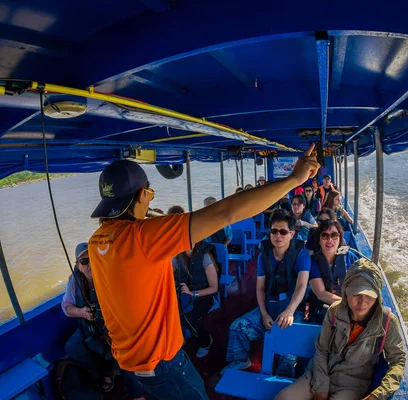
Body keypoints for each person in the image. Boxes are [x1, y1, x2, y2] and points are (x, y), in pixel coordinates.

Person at [88, 144, 319, 400]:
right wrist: (294, 179)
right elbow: (226, 212)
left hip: (127, 357)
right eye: (150, 194)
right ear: (142, 195)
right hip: (160, 360)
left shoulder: (98, 239)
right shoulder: (144, 237)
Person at [274, 259, 406, 400]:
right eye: (356, 294)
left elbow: (397, 360)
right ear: (346, 292)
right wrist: (322, 387)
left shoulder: (386, 321)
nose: (362, 302)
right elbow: (322, 349)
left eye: (369, 296)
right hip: (318, 374)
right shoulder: (335, 311)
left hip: (352, 385)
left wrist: (377, 395)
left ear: (377, 296)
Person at [223, 210, 311, 377]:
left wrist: (289, 311)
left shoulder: (302, 254)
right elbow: (260, 288)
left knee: (288, 350)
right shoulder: (264, 255)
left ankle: (283, 379)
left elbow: (301, 286)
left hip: (292, 310)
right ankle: (242, 360)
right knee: (237, 328)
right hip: (270, 307)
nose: (278, 235)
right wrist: (263, 314)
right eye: (274, 231)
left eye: (283, 231)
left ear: (292, 234)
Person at [62, 243, 143, 398]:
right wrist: (81, 312)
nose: (90, 264)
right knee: (73, 347)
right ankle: (107, 373)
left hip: (116, 330)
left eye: (93, 258)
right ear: (78, 266)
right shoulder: (74, 280)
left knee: (126, 358)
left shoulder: (110, 275)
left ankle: (137, 394)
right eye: (84, 261)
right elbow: (66, 306)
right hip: (91, 330)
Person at [173, 240, 219, 358]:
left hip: (204, 297)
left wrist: (193, 293)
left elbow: (214, 288)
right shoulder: (177, 258)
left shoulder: (205, 257)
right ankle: (178, 339)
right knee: (170, 311)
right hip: (185, 295)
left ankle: (206, 341)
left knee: (186, 316)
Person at [306, 220, 358, 323]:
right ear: (319, 240)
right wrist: (351, 306)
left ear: (340, 239)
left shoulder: (349, 256)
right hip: (322, 311)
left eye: (334, 235)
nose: (329, 240)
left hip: (349, 308)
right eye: (325, 236)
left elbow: (362, 277)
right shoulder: (313, 262)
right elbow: (321, 293)